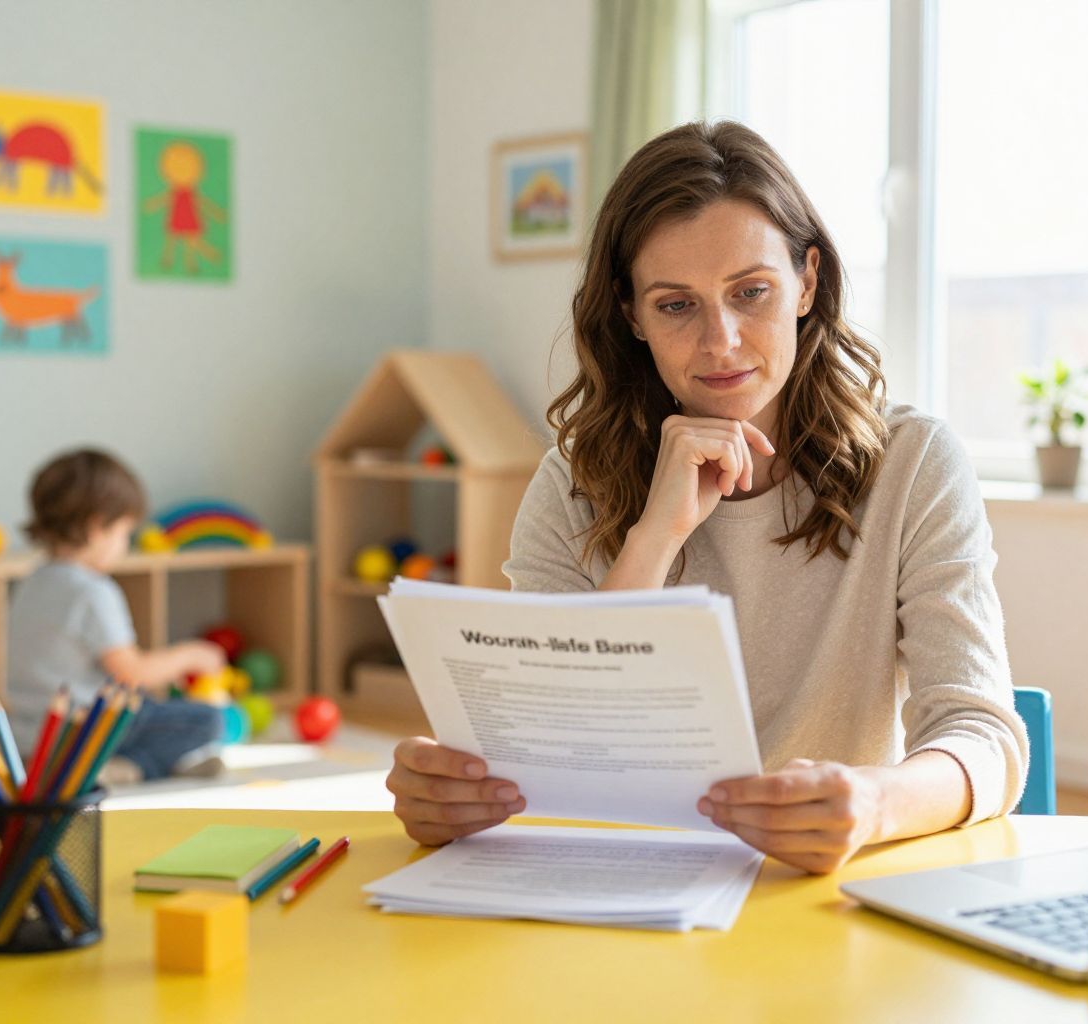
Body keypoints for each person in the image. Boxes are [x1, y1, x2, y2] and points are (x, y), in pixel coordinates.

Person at [386, 121, 1028, 874]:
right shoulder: (570, 482)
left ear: (807, 283)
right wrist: (654, 538)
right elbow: (547, 744)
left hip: (816, 892)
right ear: (631, 315)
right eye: (676, 305)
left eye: (751, 292)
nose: (720, 340)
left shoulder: (915, 464)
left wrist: (874, 803)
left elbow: (980, 736)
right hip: (621, 883)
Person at [8, 448, 228, 786]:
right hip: (82, 733)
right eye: (124, 533)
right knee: (207, 720)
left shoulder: (33, 581)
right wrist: (191, 655)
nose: (125, 544)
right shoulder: (93, 591)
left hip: (28, 735)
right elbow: (133, 673)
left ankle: (142, 762)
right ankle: (131, 767)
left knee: (149, 710)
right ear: (97, 527)